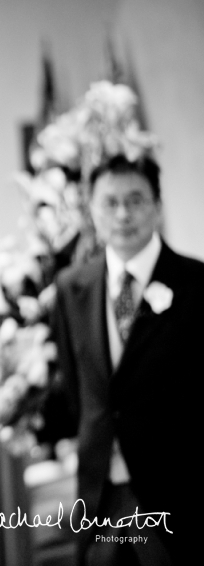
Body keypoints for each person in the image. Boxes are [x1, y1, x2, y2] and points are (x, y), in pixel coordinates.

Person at [51, 155, 201, 565]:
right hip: (99, 492)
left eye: (135, 200)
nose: (122, 214)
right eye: (109, 202)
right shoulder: (71, 289)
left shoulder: (196, 285)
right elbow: (77, 390)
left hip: (174, 491)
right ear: (92, 210)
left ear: (157, 205)